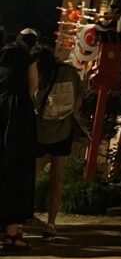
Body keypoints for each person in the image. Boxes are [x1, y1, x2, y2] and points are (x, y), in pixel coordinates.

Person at [33, 46, 83, 239]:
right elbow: (78, 98)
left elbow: (35, 102)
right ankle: (51, 223)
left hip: (42, 133)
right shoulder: (69, 71)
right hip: (63, 131)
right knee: (57, 178)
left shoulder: (40, 75)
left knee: (31, 177)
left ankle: (22, 216)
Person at [0, 27, 38, 250]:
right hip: (19, 116)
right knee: (17, 169)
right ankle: (12, 234)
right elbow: (33, 86)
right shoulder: (25, 57)